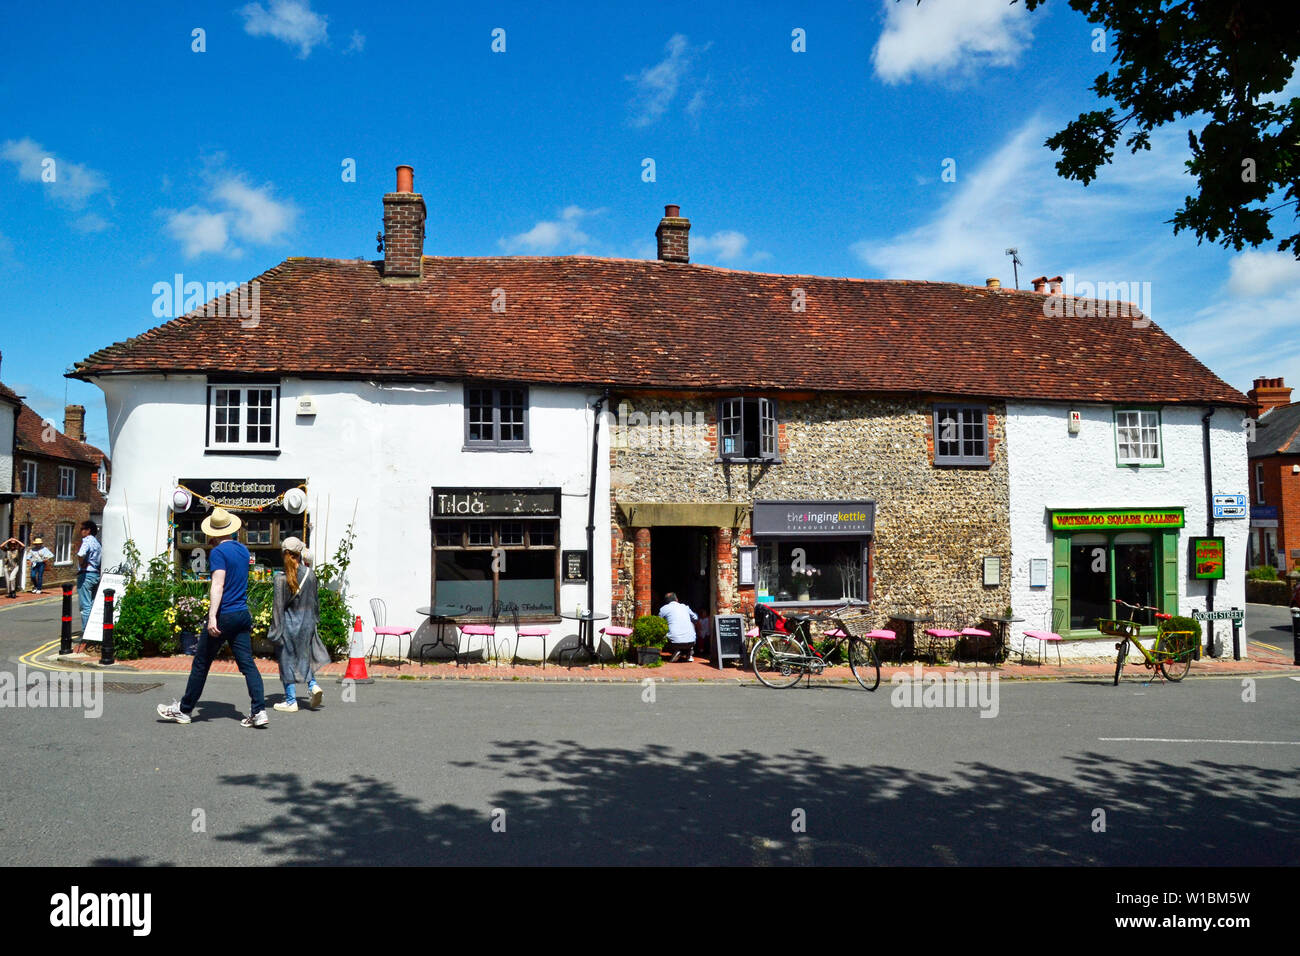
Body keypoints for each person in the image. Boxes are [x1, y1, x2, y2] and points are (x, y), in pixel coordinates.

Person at [157, 508, 267, 727]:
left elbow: (218, 584)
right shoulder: (244, 551)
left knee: (201, 663)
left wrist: (212, 617)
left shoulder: (218, 553)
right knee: (247, 665)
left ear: (214, 533)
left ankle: (184, 710)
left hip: (224, 613)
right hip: (242, 613)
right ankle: (259, 711)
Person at [268, 536, 329, 712]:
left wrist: (275, 633)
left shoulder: (280, 579)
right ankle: (313, 685)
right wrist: (314, 623)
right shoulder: (311, 575)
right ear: (299, 553)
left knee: (287, 661)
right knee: (304, 658)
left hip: (289, 626)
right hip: (307, 624)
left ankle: (290, 700)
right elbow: (315, 602)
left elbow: (277, 609)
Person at [658, 591, 699, 662]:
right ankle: (689, 653)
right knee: (692, 623)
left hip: (674, 642)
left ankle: (676, 651)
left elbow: (658, 622)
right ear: (676, 599)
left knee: (662, 628)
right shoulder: (685, 607)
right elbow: (695, 618)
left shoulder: (663, 609)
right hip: (691, 641)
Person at [75, 521, 101, 632]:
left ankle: (86, 632)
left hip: (86, 575)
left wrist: (81, 563)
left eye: (82, 529)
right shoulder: (98, 543)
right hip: (95, 575)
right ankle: (94, 631)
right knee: (92, 604)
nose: (80, 531)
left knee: (85, 606)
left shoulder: (87, 540)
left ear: (88, 530)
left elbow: (81, 554)